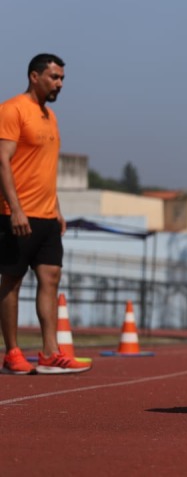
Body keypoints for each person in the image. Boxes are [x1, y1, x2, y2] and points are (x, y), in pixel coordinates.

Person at [0, 53, 91, 374]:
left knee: (50, 278)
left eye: (62, 78)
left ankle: (51, 353)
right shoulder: (12, 110)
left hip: (47, 216)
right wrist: (15, 210)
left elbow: (44, 170)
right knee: (11, 281)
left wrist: (58, 210)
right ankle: (12, 353)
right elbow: (3, 162)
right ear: (34, 76)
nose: (60, 84)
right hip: (17, 214)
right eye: (55, 77)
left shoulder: (49, 117)